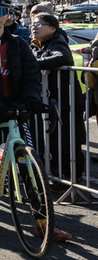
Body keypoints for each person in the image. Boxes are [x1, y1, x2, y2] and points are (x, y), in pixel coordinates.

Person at [0, 0, 69, 241]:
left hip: (16, 109)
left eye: (1, 11)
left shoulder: (20, 44)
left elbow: (32, 76)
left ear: (9, 14)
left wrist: (31, 99)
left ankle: (42, 222)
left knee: (30, 164)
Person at [31, 12, 85, 185]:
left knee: (67, 140)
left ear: (52, 28)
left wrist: (34, 63)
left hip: (66, 101)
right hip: (54, 101)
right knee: (54, 139)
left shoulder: (58, 41)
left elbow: (63, 57)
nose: (34, 26)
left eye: (39, 24)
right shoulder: (40, 44)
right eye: (32, 23)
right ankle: (59, 176)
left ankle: (71, 178)